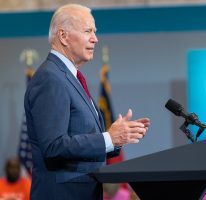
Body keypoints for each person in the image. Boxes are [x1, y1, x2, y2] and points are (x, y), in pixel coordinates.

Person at [24, 3, 150, 200]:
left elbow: (81, 141)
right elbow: (54, 146)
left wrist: (116, 138)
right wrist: (108, 138)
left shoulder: (68, 76)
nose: (95, 38)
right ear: (63, 36)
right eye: (87, 31)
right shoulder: (50, 78)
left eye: (95, 31)